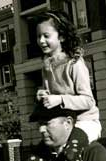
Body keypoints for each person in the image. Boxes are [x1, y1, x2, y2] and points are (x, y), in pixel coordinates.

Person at [34, 11, 100, 144]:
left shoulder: (74, 64)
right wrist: (42, 96)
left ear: (62, 37)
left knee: (71, 151)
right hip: (63, 125)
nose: (41, 41)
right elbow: (51, 101)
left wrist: (59, 99)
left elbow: (88, 101)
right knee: (37, 158)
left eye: (46, 36)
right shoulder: (47, 67)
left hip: (85, 123)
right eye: (38, 36)